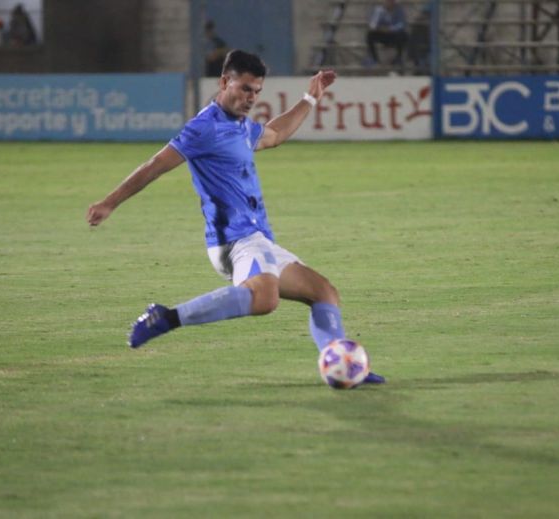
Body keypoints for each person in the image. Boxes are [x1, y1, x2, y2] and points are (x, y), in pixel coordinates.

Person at [87, 50, 385, 385]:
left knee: (324, 293)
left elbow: (273, 135)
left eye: (257, 91)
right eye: (245, 88)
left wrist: (310, 98)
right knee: (265, 299)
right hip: (234, 241)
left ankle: (342, 367)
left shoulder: (241, 126)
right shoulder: (204, 128)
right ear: (224, 81)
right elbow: (155, 166)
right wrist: (110, 202)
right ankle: (167, 317)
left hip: (257, 239)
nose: (251, 98)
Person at [366, 0, 409, 66]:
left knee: (404, 35)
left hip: (394, 34)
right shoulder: (379, 10)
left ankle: (398, 59)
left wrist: (390, 29)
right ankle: (375, 59)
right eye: (388, 1)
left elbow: (402, 24)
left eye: (392, 1)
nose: (390, 2)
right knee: (370, 35)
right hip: (382, 34)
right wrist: (379, 28)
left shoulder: (399, 10)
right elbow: (373, 24)